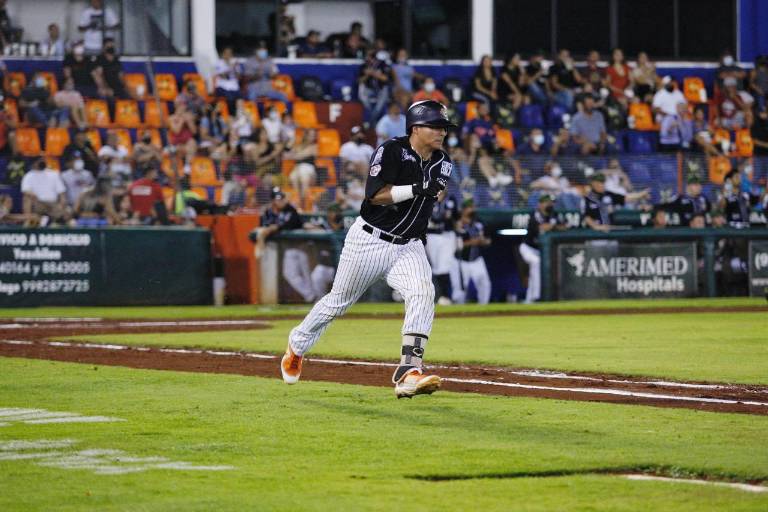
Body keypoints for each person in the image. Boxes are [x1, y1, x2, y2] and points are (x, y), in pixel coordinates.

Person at [283, 99, 455, 399]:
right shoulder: (391, 150)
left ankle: (409, 371)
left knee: (423, 292)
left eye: (444, 127)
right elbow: (375, 196)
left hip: (409, 245)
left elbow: (431, 198)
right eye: (435, 126)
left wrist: (424, 199)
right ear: (416, 127)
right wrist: (416, 189)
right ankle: (297, 345)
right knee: (338, 303)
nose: (442, 132)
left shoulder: (444, 162)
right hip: (370, 240)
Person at [519, 194, 562, 303]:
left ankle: (529, 299)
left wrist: (554, 225)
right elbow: (541, 227)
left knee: (536, 269)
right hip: (528, 248)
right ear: (540, 204)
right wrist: (554, 225)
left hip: (540, 251)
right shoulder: (535, 214)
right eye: (547, 202)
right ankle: (537, 296)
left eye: (551, 202)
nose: (550, 204)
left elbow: (565, 226)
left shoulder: (553, 214)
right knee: (536, 263)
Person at [454, 198, 491, 305]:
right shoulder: (458, 224)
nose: (472, 210)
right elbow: (456, 246)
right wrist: (472, 242)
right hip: (462, 261)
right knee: (460, 290)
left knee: (485, 284)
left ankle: (484, 309)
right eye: (470, 208)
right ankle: (458, 311)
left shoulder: (479, 222)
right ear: (464, 210)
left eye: (473, 207)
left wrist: (483, 241)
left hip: (477, 260)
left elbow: (488, 240)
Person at [582, 173, 649, 231]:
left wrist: (641, 194)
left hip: (610, 232)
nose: (602, 184)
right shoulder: (587, 198)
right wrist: (596, 226)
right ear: (593, 183)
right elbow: (586, 216)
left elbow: (626, 198)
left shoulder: (608, 194)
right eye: (600, 182)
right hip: (594, 234)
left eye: (603, 182)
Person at [426, 194, 460, 305]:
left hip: (446, 235)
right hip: (431, 236)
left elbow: (450, 216)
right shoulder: (428, 196)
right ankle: (443, 296)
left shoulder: (450, 199)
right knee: (436, 268)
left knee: (445, 266)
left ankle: (448, 296)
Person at [21, 158, 68, 226]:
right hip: (38, 203)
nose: (41, 162)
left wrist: (62, 204)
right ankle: (28, 221)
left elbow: (62, 192)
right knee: (27, 198)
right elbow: (25, 191)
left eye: (42, 160)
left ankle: (57, 223)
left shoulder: (53, 174)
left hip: (52, 203)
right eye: (39, 160)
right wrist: (35, 196)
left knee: (66, 210)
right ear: (34, 163)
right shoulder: (29, 175)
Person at [358, 49, 392, 122]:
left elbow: (386, 79)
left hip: (380, 89)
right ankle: (371, 112)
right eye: (369, 57)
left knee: (385, 90)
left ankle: (372, 116)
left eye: (372, 57)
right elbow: (359, 81)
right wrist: (367, 75)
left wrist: (373, 73)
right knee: (361, 88)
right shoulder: (364, 65)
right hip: (369, 90)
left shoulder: (382, 64)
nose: (370, 59)